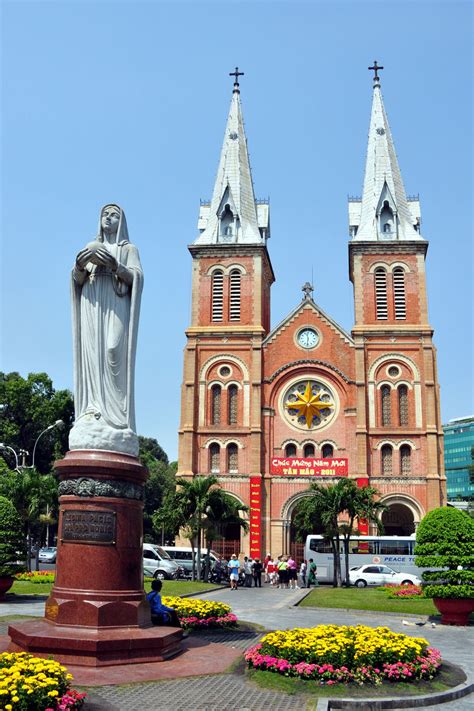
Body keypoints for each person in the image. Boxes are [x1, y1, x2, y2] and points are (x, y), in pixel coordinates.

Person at [70, 204, 144, 456]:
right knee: (93, 356)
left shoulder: (128, 249)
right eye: (105, 214)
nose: (108, 218)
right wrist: (80, 267)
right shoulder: (91, 246)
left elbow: (137, 279)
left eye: (114, 215)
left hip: (116, 302)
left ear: (121, 221)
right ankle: (92, 410)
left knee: (113, 350)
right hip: (92, 301)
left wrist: (116, 266)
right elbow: (77, 280)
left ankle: (117, 417)